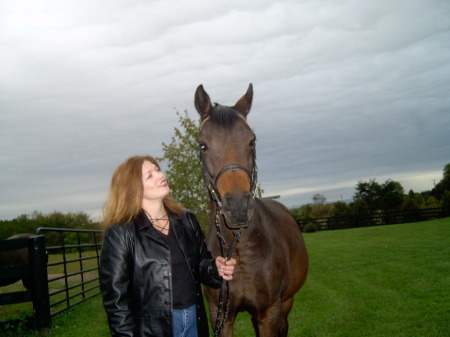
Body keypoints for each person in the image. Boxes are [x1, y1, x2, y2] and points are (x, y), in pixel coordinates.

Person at [99, 155, 236, 337]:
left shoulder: (187, 220)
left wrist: (215, 268)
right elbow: (116, 300)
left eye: (157, 170)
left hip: (194, 319)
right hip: (152, 329)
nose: (160, 175)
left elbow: (201, 263)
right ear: (133, 188)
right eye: (150, 175)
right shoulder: (120, 233)